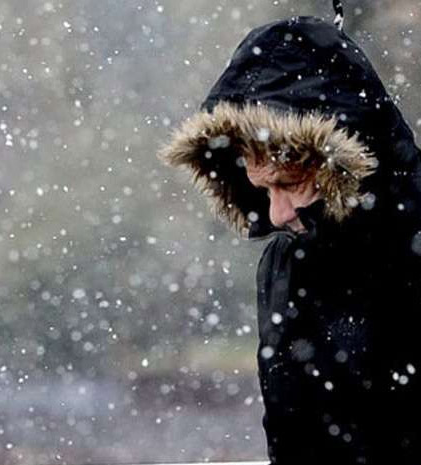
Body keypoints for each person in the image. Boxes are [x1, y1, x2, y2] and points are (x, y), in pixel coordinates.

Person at [160, 15, 421, 464]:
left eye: (290, 182)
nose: (277, 215)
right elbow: (292, 440)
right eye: (263, 189)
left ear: (343, 160)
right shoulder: (286, 266)